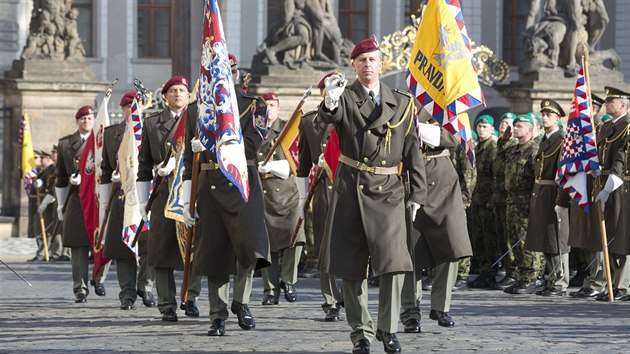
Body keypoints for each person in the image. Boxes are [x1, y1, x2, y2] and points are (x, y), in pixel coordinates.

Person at [318, 37, 426, 354]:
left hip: (390, 192)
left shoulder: (403, 102)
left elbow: (412, 149)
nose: (367, 65)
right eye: (362, 60)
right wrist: (330, 100)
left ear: (382, 65)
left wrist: (417, 192)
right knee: (351, 266)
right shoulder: (345, 98)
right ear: (354, 65)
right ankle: (360, 332)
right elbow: (326, 119)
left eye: (373, 60)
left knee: (393, 264)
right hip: (351, 188)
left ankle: (388, 329)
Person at [183, 53, 271, 336]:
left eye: (228, 70)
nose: (223, 76)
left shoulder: (252, 105)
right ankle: (217, 314)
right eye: (216, 72)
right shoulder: (196, 111)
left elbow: (252, 146)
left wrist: (213, 143)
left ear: (234, 73)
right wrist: (187, 199)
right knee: (215, 251)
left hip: (242, 180)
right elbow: (188, 161)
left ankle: (241, 302)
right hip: (209, 183)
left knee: (248, 246)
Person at [137, 76, 202, 321]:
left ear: (188, 95)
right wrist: (144, 201)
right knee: (162, 251)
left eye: (182, 90)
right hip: (164, 195)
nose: (178, 94)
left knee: (193, 248)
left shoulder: (198, 119)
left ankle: (191, 297)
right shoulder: (153, 123)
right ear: (165, 96)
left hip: (192, 191)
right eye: (173, 90)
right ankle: (167, 304)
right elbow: (143, 165)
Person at [401, 116, 473, 333]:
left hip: (443, 183)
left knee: (451, 247)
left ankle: (441, 306)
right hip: (410, 178)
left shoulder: (449, 108)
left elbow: (455, 137)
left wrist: (419, 128)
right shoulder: (405, 105)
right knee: (410, 253)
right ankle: (410, 312)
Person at [101, 91, 156, 310]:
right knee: (123, 249)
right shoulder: (110, 134)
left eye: (136, 105)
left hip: (147, 194)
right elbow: (104, 169)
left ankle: (146, 286)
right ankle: (127, 293)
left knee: (149, 245)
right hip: (121, 197)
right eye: (127, 106)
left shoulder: (150, 129)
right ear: (123, 108)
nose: (132, 109)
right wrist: (105, 200)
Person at [296, 72, 343, 322]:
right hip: (324, 187)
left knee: (352, 240)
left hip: (351, 184)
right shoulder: (309, 121)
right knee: (325, 243)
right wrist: (302, 198)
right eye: (330, 86)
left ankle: (349, 292)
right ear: (322, 91)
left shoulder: (354, 115)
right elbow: (303, 163)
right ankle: (331, 300)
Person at [55, 105, 109, 302]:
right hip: (77, 198)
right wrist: (61, 204)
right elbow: (60, 176)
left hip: (98, 196)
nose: (86, 121)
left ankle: (98, 278)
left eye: (89, 118)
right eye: (83, 118)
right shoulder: (65, 144)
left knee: (102, 239)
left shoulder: (103, 140)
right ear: (77, 121)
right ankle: (80, 288)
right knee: (78, 245)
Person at [256, 92, 305, 305]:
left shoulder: (288, 130)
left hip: (287, 192)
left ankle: (288, 280)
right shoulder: (253, 131)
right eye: (265, 105)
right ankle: (270, 290)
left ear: (278, 108)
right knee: (268, 245)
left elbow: (297, 159)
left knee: (296, 237)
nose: (269, 108)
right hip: (262, 191)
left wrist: (274, 166)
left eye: (272, 105)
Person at [524, 99, 571, 296]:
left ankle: (560, 282)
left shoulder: (561, 139)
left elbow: (564, 173)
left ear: (558, 118)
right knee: (546, 239)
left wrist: (561, 201)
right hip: (542, 193)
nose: (544, 117)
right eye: (542, 114)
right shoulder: (546, 139)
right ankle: (552, 278)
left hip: (553, 193)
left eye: (548, 115)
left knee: (557, 239)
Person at [568, 92, 607, 298]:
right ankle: (590, 278)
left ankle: (598, 280)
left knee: (596, 236)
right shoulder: (578, 131)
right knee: (584, 236)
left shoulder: (601, 129)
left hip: (597, 187)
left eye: (586, 107)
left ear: (595, 109)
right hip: (583, 187)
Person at [593, 86, 630, 301]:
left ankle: (623, 285)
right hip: (605, 180)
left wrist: (608, 188)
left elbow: (620, 159)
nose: (607, 104)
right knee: (610, 235)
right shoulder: (607, 126)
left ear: (623, 105)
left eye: (611, 101)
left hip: (620, 185)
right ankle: (613, 283)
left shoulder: (627, 127)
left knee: (622, 234)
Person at [501, 114, 542, 295]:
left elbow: (537, 178)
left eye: (519, 126)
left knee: (526, 241)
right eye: (515, 125)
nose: (515, 128)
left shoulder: (534, 150)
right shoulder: (513, 149)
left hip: (526, 201)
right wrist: (503, 139)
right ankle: (520, 275)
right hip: (512, 201)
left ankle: (531, 278)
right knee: (514, 241)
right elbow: (500, 156)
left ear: (530, 130)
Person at [469, 115, 499, 289]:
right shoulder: (478, 147)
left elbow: (497, 176)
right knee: (478, 238)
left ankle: (490, 273)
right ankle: (483, 271)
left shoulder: (492, 148)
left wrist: (492, 199)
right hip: (477, 198)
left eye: (485, 126)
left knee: (489, 239)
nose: (481, 129)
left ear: (491, 129)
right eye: (479, 126)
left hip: (487, 200)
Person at [492, 112, 518, 290]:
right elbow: (499, 164)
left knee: (514, 239)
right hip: (501, 197)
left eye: (510, 123)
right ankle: (509, 270)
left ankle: (515, 272)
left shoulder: (518, 146)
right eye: (504, 122)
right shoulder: (504, 145)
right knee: (503, 238)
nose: (506, 126)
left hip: (514, 198)